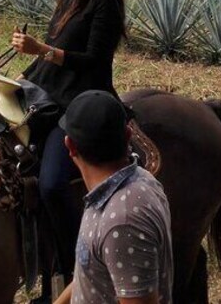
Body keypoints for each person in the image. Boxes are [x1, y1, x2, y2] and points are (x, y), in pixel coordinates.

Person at [10, 0, 128, 285]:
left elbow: (94, 60)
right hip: (49, 90)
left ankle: (77, 269)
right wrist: (22, 77)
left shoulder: (106, 1)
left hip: (82, 98)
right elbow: (49, 52)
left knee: (51, 183)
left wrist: (43, 50)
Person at [53, 90, 173, 304]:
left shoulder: (122, 221)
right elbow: (92, 272)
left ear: (69, 146)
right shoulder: (138, 180)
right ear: (128, 135)